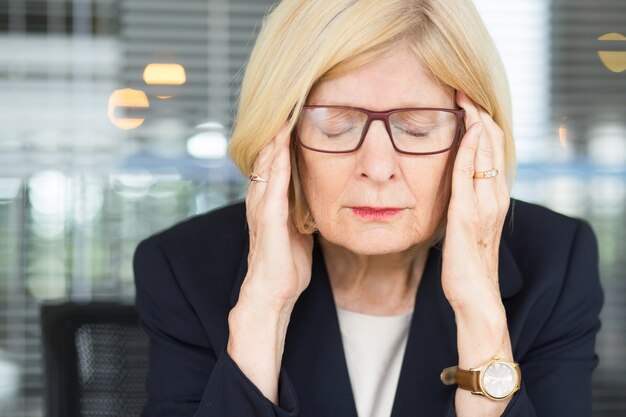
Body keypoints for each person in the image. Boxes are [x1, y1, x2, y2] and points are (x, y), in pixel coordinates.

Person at [133, 0, 604, 416]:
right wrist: (262, 313)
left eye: (417, 128)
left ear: (473, 140)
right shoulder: (184, 267)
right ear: (280, 135)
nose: (377, 167)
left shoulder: (557, 261)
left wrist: (479, 309)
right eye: (335, 126)